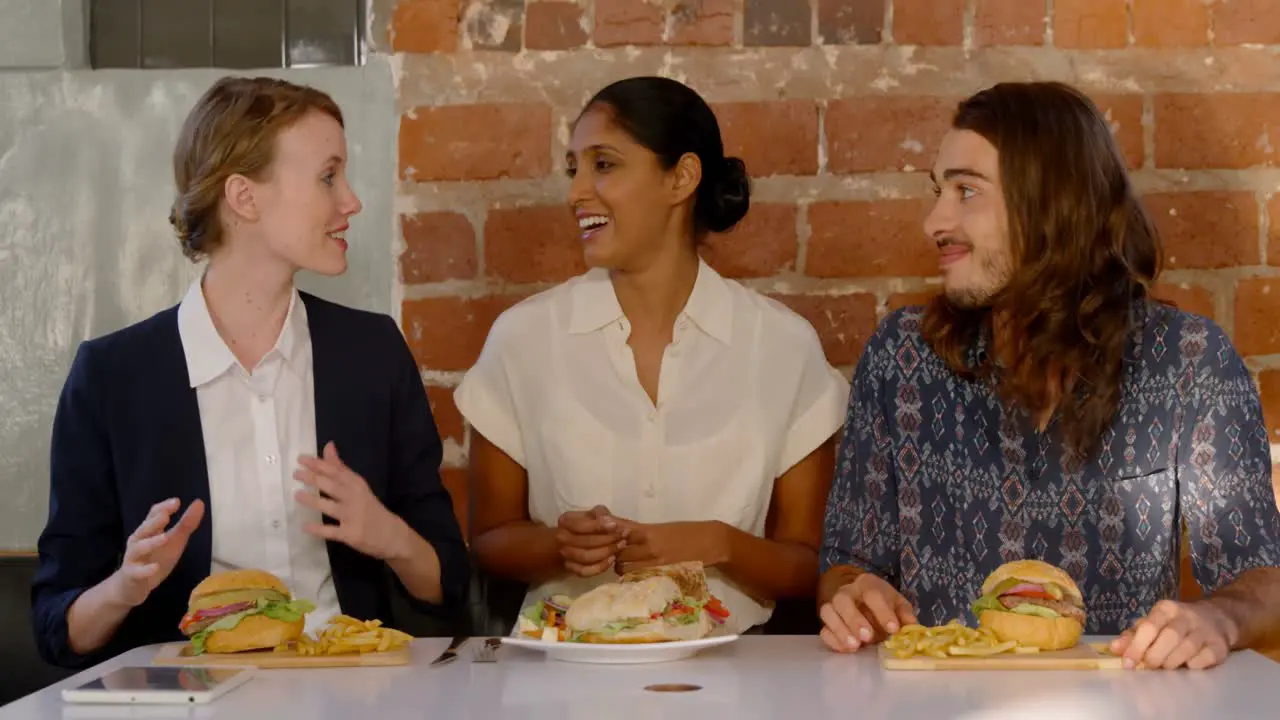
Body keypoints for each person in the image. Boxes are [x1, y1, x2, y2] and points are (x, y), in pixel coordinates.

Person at [817, 81, 1280, 670]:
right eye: (938, 191)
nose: (934, 221)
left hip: (1122, 704)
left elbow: (1265, 580)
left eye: (966, 191)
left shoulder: (1191, 361)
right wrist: (852, 596)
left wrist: (1220, 617)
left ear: (1051, 203)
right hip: (930, 700)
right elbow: (845, 563)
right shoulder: (900, 356)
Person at [31, 76, 469, 669]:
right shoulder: (110, 377)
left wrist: (389, 535)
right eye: (327, 176)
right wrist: (124, 587)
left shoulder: (373, 353)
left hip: (360, 697)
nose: (351, 201)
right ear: (244, 197)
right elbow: (58, 629)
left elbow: (448, 583)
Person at [456, 76, 848, 635]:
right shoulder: (522, 338)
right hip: (565, 677)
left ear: (682, 177)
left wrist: (718, 543)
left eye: (604, 164)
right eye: (574, 168)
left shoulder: (783, 346)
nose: (576, 192)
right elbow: (489, 540)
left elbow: (810, 564)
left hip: (736, 678)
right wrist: (559, 545)